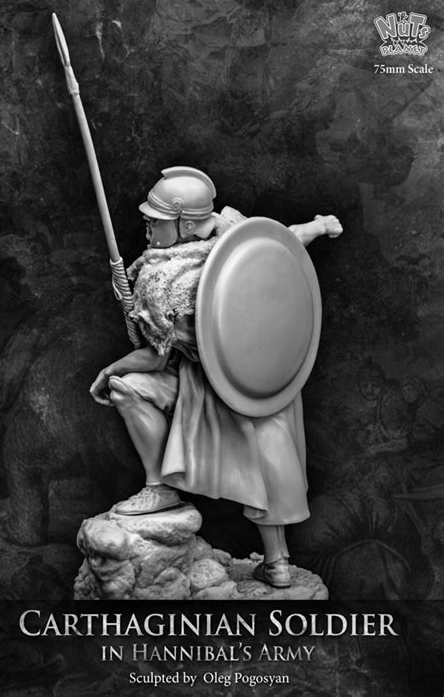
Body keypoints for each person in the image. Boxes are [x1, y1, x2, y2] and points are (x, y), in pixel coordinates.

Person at [90, 167, 342, 588]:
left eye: (157, 220)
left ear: (187, 225)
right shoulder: (233, 237)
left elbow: (155, 359)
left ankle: (163, 488)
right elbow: (285, 239)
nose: (148, 226)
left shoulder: (170, 281)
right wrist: (317, 226)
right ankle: (275, 560)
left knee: (125, 385)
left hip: (214, 393)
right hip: (261, 384)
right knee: (270, 459)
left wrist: (110, 368)